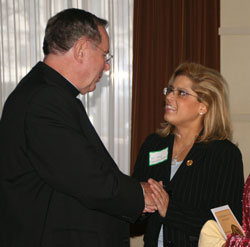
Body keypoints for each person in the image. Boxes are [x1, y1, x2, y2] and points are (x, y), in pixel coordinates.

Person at [0, 8, 161, 247]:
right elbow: (88, 178)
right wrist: (141, 195)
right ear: (82, 49)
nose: (106, 67)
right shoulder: (45, 99)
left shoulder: (47, 93)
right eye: (105, 55)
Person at [132, 62, 244, 246]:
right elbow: (136, 214)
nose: (169, 97)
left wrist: (171, 209)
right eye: (170, 90)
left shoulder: (224, 154)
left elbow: (229, 228)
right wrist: (141, 205)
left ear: (204, 106)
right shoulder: (153, 144)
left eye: (181, 93)